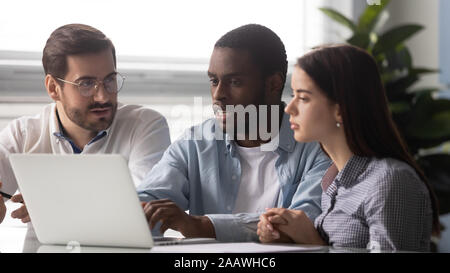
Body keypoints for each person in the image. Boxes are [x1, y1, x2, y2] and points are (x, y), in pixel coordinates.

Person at [137, 24, 331, 242]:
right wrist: (139, 212)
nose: (218, 95)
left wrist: (203, 225)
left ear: (274, 84)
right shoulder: (195, 143)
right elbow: (145, 201)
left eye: (235, 82)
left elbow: (302, 223)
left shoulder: (318, 148)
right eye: (214, 81)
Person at [257, 44, 440, 252]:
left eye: (304, 97)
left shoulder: (390, 182)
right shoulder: (334, 181)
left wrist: (312, 242)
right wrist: (288, 239)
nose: (289, 108)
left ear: (340, 110)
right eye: (293, 96)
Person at [0, 24, 171, 224]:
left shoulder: (145, 125)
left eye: (110, 80)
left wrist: (60, 204)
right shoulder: (23, 134)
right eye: (86, 84)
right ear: (54, 88)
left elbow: (147, 208)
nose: (103, 96)